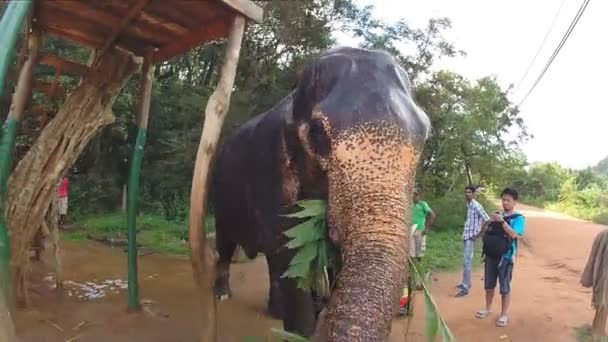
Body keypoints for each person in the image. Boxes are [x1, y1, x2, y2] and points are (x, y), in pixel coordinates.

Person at [475, 187, 526, 327]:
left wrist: (502, 222)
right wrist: (490, 222)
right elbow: (486, 232)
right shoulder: (498, 215)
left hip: (506, 257)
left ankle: (504, 314)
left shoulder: (518, 218)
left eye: (508, 200)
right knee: (489, 285)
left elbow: (516, 235)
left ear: (515, 201)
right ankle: (487, 308)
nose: (505, 203)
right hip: (491, 256)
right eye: (503, 200)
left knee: (504, 287)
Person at [455, 185, 490, 297]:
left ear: (474, 194)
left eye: (470, 192)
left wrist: (479, 234)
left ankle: (465, 288)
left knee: (467, 261)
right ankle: (466, 283)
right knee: (466, 260)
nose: (467, 194)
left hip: (471, 237)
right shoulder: (469, 204)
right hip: (467, 235)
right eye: (466, 192)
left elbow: (487, 220)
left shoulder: (476, 206)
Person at [410, 188, 436, 263]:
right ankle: (412, 268)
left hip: (419, 229)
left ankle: (419, 266)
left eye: (415, 195)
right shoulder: (410, 205)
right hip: (410, 229)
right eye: (412, 194)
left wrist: (426, 228)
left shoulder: (422, 204)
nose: (413, 196)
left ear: (418, 195)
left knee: (419, 251)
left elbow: (432, 215)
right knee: (411, 251)